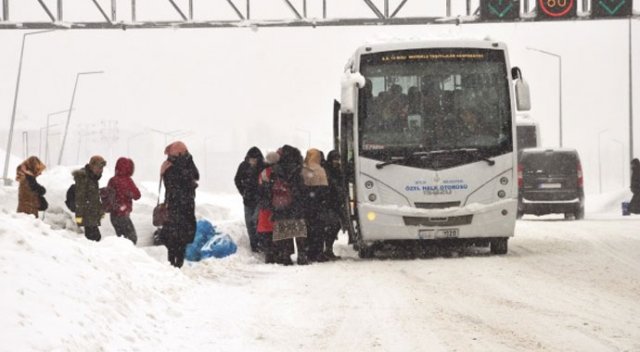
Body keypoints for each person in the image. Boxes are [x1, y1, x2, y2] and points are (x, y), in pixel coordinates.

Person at [160, 141, 200, 268]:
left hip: (182, 205)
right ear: (179, 153)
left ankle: (177, 262)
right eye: (184, 152)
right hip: (177, 205)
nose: (186, 153)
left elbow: (195, 175)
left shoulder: (183, 164)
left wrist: (189, 160)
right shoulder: (170, 166)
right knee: (176, 236)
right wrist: (190, 183)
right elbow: (177, 184)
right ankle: (174, 263)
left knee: (180, 235)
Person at [271, 145, 308, 265]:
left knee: (284, 229)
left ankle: (285, 256)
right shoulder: (298, 168)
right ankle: (302, 256)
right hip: (296, 203)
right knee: (298, 230)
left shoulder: (276, 169)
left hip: (281, 204)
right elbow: (302, 188)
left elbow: (270, 187)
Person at [301, 148, 332, 262]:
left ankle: (309, 252)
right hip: (319, 204)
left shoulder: (303, 169)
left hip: (307, 204)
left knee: (308, 229)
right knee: (319, 230)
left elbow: (301, 187)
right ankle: (318, 252)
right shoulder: (320, 170)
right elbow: (325, 189)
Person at [234, 146, 265, 253]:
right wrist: (243, 192)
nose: (253, 161)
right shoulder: (243, 166)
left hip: (260, 199)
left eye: (255, 159)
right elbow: (237, 180)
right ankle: (254, 245)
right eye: (252, 159)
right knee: (249, 223)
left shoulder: (263, 167)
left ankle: (261, 243)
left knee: (256, 220)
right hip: (248, 200)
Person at [256, 151, 284, 264]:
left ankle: (269, 255)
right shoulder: (281, 171)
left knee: (266, 230)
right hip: (278, 204)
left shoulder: (263, 172)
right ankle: (278, 254)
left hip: (265, 205)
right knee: (277, 230)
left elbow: (260, 188)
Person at [107, 157, 141, 244]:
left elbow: (108, 196)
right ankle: (127, 256)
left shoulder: (112, 180)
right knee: (132, 238)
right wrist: (129, 193)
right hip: (123, 214)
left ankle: (121, 255)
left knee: (121, 239)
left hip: (114, 215)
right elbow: (137, 195)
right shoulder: (128, 181)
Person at [73, 155, 106, 241]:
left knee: (95, 239)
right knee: (94, 239)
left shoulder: (93, 178)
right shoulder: (84, 177)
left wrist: (99, 210)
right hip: (87, 215)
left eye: (102, 168)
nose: (101, 170)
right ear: (92, 166)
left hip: (92, 215)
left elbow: (93, 197)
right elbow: (79, 199)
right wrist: (79, 217)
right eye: (99, 167)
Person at [324, 150, 346, 259]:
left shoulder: (337, 170)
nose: (336, 161)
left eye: (338, 159)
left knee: (335, 226)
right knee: (332, 225)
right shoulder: (327, 170)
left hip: (336, 203)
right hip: (329, 203)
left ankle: (328, 249)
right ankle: (327, 249)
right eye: (334, 159)